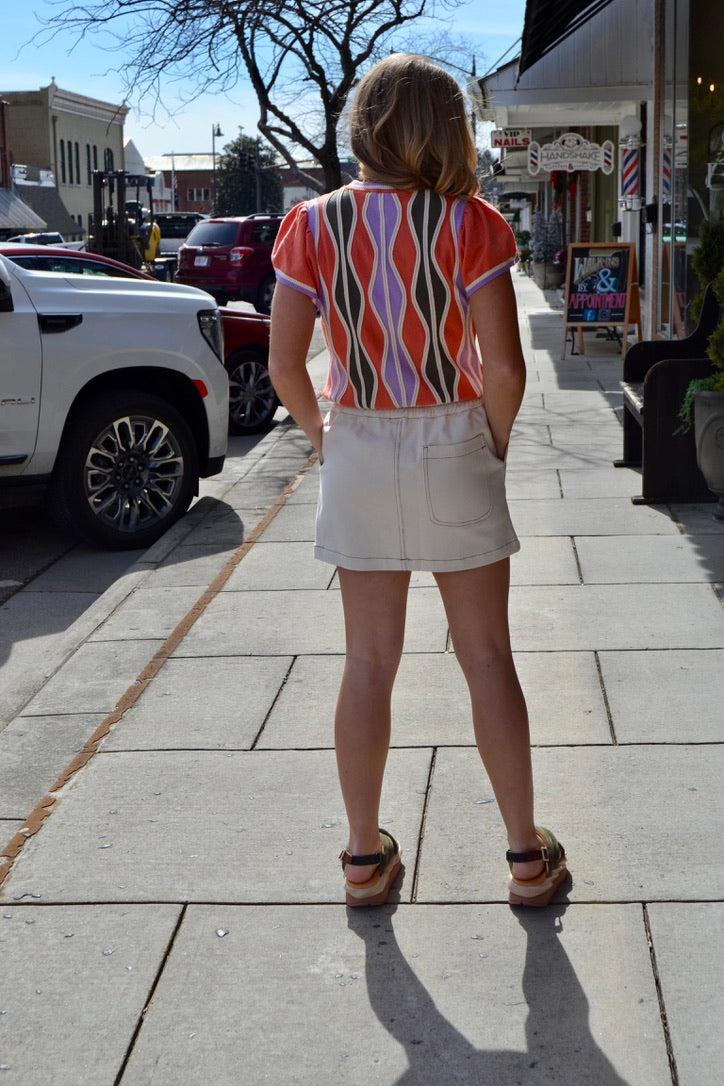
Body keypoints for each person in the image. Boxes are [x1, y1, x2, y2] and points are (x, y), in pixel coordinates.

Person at [269, 53, 567, 909]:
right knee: (485, 658)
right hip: (454, 436)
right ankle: (524, 858)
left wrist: (327, 437)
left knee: (367, 662)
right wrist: (492, 445)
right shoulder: (471, 224)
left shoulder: (311, 225)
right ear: (447, 128)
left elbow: (288, 363)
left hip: (359, 441)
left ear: (363, 124)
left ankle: (364, 860)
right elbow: (504, 368)